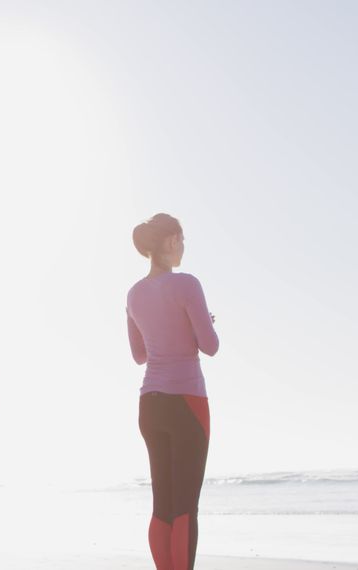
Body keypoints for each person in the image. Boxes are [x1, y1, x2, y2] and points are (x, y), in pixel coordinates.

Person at [126, 213, 219, 570]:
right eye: (182, 239)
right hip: (187, 402)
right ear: (170, 241)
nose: (183, 247)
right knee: (185, 507)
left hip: (150, 404)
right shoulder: (187, 284)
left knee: (162, 504)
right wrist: (202, 325)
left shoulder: (133, 294)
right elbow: (209, 346)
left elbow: (138, 354)